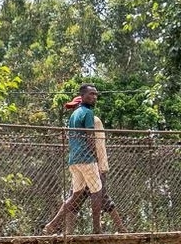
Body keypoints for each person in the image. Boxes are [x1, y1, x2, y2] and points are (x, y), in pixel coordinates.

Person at [42, 84, 125, 235]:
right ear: (83, 96)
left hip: (74, 160)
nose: (94, 97)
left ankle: (52, 224)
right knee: (98, 192)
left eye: (96, 95)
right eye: (91, 94)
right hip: (87, 159)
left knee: (76, 195)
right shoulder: (87, 113)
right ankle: (97, 229)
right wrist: (95, 159)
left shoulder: (73, 116)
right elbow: (90, 138)